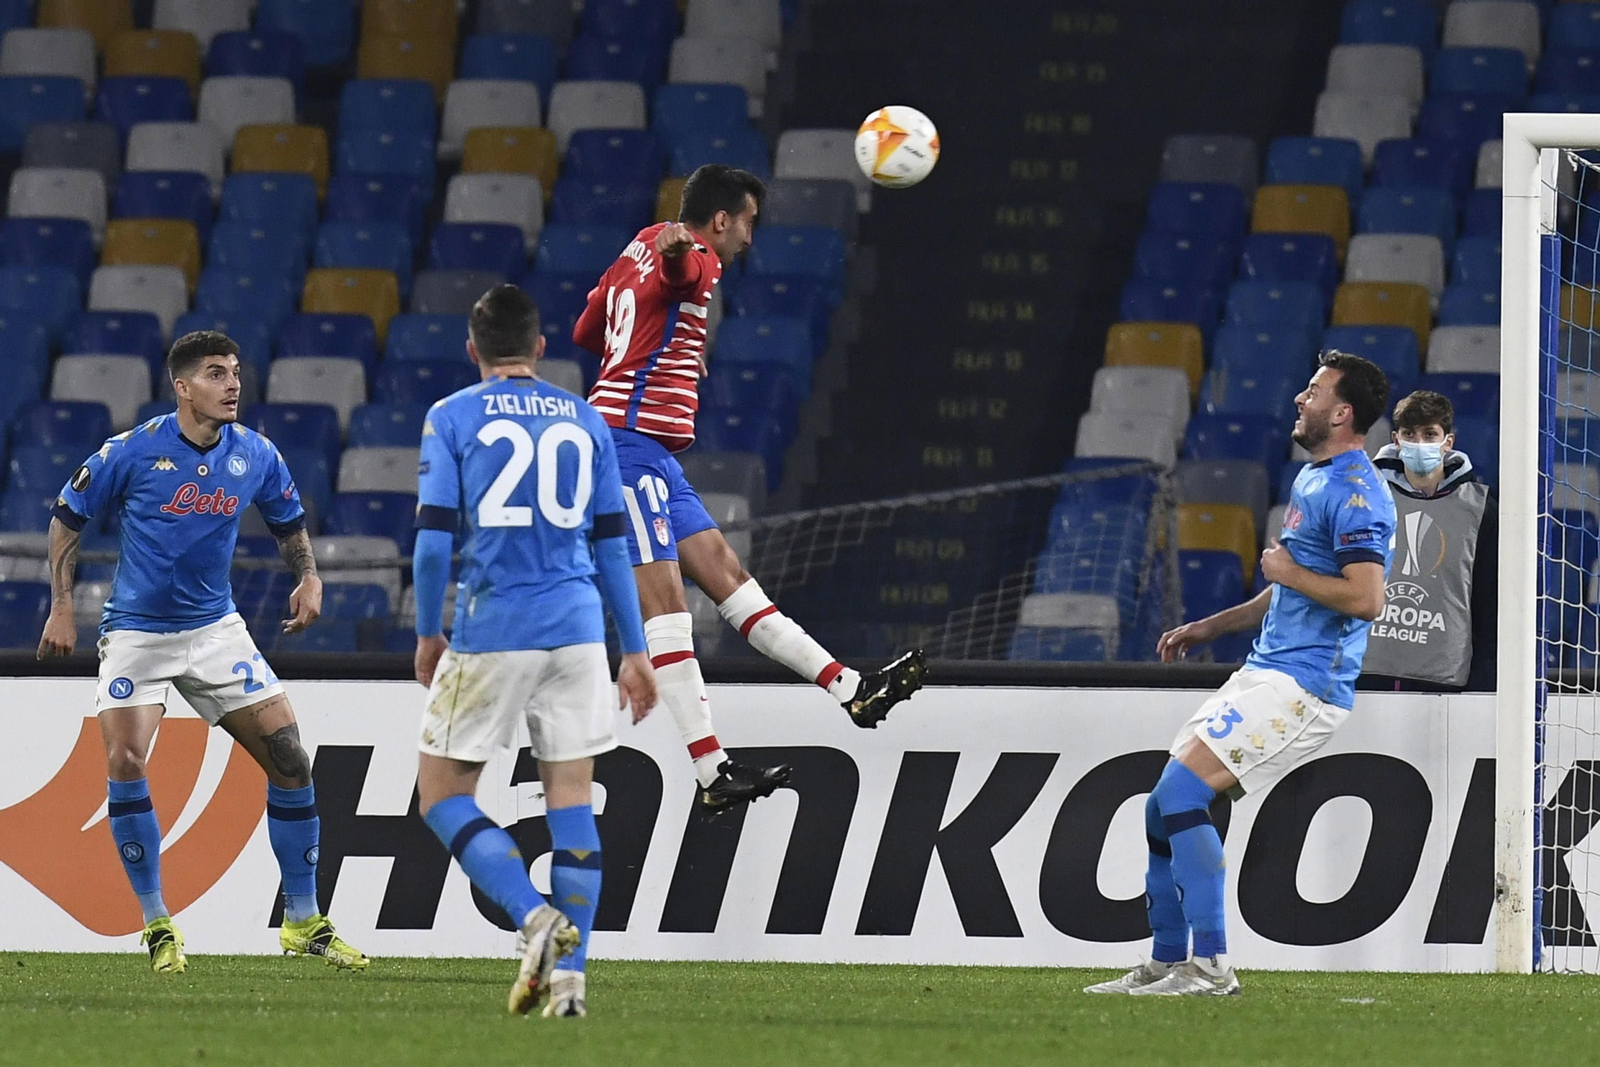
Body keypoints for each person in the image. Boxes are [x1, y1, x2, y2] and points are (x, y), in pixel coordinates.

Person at [573, 163, 926, 812]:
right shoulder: (695, 256)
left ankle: (849, 686)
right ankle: (710, 770)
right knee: (669, 609)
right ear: (720, 220)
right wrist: (682, 268)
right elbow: (682, 274)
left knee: (728, 574)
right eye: (748, 224)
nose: (749, 241)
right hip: (623, 451)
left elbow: (586, 332)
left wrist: (664, 334)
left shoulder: (638, 244)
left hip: (649, 455)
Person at [35, 330, 367, 975]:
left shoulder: (256, 454)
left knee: (291, 757)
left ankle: (304, 922)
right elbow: (66, 517)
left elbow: (287, 518)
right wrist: (63, 604)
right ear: (183, 387)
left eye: (236, 372)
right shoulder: (131, 452)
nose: (233, 384)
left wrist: (309, 574)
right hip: (137, 633)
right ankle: (157, 923)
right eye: (216, 374)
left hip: (216, 631)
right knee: (127, 760)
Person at [1086, 351, 1395, 997]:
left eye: (1312, 391)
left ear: (1342, 412)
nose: (1298, 400)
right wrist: (1211, 625)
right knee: (1157, 808)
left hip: (1307, 684)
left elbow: (1367, 599)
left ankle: (1212, 966)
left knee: (1179, 796)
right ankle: (1169, 960)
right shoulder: (1315, 478)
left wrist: (1287, 575)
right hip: (1268, 669)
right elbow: (1291, 590)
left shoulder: (1358, 492)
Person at [412, 285, 657, 1018]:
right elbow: (613, 543)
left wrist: (429, 631)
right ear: (542, 347)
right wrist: (633, 648)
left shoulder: (451, 415)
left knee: (443, 794)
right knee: (572, 803)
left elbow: (431, 542)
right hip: (580, 630)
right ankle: (572, 979)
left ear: (472, 350)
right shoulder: (585, 420)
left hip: (495, 626)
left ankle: (534, 916)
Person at [1362, 389, 1498, 691]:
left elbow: (1489, 605)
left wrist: (1481, 687)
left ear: (1448, 442)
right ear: (1396, 440)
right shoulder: (1366, 498)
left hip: (1447, 682)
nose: (1419, 443)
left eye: (1429, 434)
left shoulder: (1481, 508)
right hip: (1367, 673)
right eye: (1410, 434)